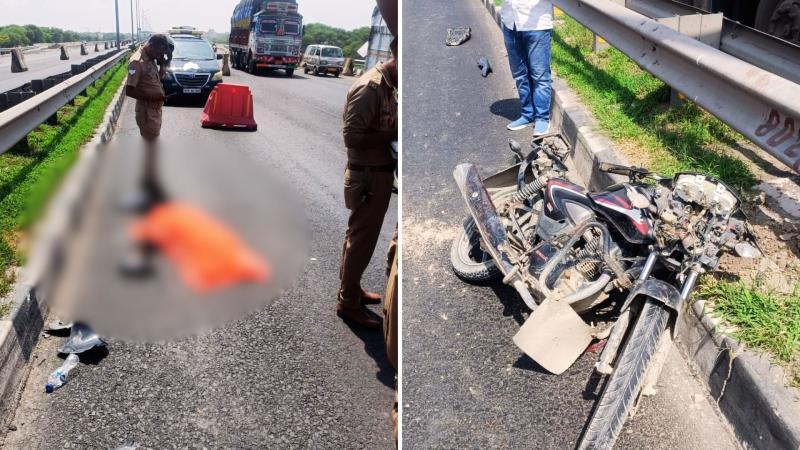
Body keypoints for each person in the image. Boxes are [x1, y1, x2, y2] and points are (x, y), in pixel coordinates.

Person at [337, 38, 398, 330]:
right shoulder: (370, 88)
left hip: (377, 173)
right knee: (361, 241)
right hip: (368, 177)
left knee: (359, 238)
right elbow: (352, 137)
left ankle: (352, 289)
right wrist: (395, 134)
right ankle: (348, 303)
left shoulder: (388, 85)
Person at [120, 34, 171, 275]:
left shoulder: (151, 59)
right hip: (147, 111)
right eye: (161, 51)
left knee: (152, 148)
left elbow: (155, 78)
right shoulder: (137, 61)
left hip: (155, 110)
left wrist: (163, 66)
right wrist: (153, 96)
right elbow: (129, 90)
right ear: (153, 45)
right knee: (151, 148)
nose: (162, 55)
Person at [500, 0, 554, 136]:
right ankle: (527, 114)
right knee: (519, 74)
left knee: (540, 76)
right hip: (510, 22)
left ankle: (542, 118)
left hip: (536, 24)